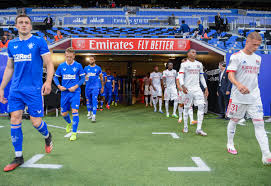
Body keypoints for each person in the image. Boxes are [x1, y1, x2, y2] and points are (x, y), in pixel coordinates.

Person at [0, 15, 54, 172]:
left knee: (36, 122)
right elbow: (10, 68)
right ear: (16, 26)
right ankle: (18, 157)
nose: (24, 25)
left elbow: (49, 63)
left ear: (31, 26)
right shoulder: (12, 44)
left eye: (27, 23)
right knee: (15, 119)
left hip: (33, 90)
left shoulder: (39, 42)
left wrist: (48, 82)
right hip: (16, 90)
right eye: (20, 23)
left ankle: (47, 136)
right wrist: (2, 87)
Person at [226, 32, 271, 165]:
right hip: (238, 96)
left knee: (259, 123)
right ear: (247, 42)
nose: (256, 47)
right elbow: (230, 75)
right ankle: (230, 143)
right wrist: (239, 85)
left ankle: (266, 154)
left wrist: (250, 89)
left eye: (258, 45)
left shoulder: (258, 58)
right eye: (254, 45)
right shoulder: (236, 56)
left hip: (254, 97)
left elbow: (253, 77)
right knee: (234, 120)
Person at [53, 47, 85, 141]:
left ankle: (74, 133)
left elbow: (82, 79)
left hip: (75, 92)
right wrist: (59, 86)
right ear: (65, 56)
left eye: (70, 57)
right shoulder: (61, 66)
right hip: (64, 93)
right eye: (67, 57)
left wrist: (75, 87)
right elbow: (55, 78)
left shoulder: (78, 66)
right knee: (63, 113)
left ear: (74, 56)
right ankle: (69, 123)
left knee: (75, 111)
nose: (69, 58)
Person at [178, 49, 209, 136]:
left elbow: (201, 77)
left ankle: (199, 129)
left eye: (195, 52)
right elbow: (180, 75)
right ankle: (185, 127)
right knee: (187, 108)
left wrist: (206, 87)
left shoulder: (199, 64)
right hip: (188, 89)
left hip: (197, 89)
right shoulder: (184, 64)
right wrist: (183, 85)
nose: (194, 53)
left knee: (201, 106)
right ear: (188, 54)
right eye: (192, 52)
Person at [177, 58, 198, 124]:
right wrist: (182, 90)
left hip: (188, 91)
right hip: (181, 92)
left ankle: (191, 120)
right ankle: (180, 117)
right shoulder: (179, 73)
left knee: (189, 105)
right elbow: (178, 84)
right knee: (181, 104)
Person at [84, 55, 104, 122]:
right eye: (90, 59)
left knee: (94, 100)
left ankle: (94, 116)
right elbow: (83, 77)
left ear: (94, 60)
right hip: (88, 87)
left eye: (92, 59)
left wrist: (102, 87)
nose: (90, 61)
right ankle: (90, 112)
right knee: (89, 101)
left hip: (95, 87)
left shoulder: (98, 68)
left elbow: (101, 78)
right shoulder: (86, 68)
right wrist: (85, 78)